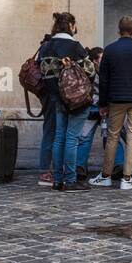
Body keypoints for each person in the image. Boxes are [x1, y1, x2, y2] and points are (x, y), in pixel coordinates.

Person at [90, 17, 132, 191]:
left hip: (116, 99)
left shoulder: (110, 50)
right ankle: (127, 178)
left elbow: (104, 80)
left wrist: (103, 104)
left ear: (119, 30)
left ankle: (106, 176)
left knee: (112, 136)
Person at [36, 11, 93, 193]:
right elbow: (90, 70)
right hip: (75, 99)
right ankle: (70, 180)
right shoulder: (74, 46)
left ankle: (58, 180)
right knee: (71, 138)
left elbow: (41, 71)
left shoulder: (45, 47)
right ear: (71, 26)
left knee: (59, 138)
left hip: (55, 98)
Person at [74, 46, 104, 183]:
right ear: (94, 60)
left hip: (104, 108)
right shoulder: (88, 73)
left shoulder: (106, 71)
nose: (104, 61)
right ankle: (79, 167)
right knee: (84, 138)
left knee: (111, 136)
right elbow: (86, 93)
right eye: (101, 59)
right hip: (92, 108)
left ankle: (118, 165)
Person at [36, 32, 56, 186]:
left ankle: (46, 170)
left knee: (49, 131)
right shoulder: (49, 49)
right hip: (51, 96)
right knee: (51, 131)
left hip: (45, 95)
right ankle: (44, 172)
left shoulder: (43, 49)